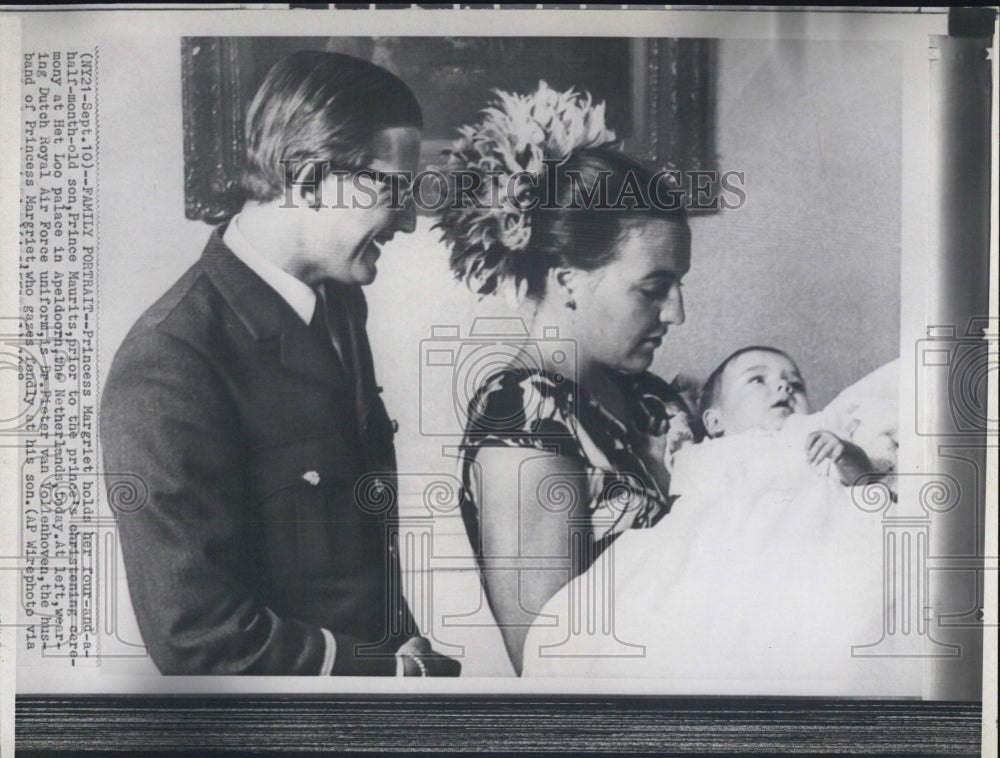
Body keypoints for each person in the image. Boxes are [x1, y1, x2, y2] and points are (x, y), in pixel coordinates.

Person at [101, 51, 458, 676]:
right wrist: (384, 672)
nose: (410, 219)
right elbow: (197, 636)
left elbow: (355, 545)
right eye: (393, 188)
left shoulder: (340, 303)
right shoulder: (169, 362)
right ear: (310, 179)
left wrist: (405, 649)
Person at [436, 83, 697, 675]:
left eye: (680, 286)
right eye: (654, 289)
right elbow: (550, 658)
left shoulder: (646, 393)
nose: (677, 313)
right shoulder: (522, 419)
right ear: (568, 280)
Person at [697, 346, 876, 485]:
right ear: (715, 421)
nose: (784, 385)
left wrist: (845, 455)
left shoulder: (812, 441)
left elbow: (865, 483)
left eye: (796, 384)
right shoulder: (707, 455)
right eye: (758, 380)